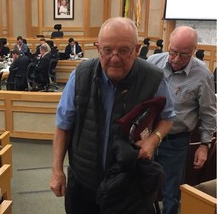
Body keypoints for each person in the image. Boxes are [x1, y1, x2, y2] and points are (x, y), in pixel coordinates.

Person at [50, 17, 176, 214]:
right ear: (98, 48)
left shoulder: (153, 78)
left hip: (129, 186)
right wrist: (57, 170)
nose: (114, 58)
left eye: (123, 50)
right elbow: (63, 125)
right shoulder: (81, 75)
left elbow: (168, 118)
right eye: (107, 50)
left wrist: (153, 140)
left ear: (136, 49)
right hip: (83, 184)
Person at [147, 26, 216, 214]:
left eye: (184, 55)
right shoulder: (152, 63)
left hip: (175, 142)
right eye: (173, 52)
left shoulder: (202, 75)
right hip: (147, 138)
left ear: (193, 51)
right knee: (142, 185)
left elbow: (209, 114)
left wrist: (204, 145)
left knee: (171, 191)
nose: (176, 59)